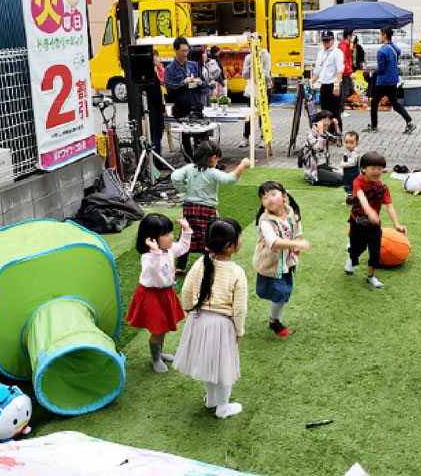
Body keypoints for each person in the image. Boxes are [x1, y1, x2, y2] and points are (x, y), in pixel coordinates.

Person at [174, 218, 247, 419]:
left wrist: (190, 310)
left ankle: (211, 399)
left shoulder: (200, 263)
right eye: (239, 237)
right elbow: (239, 308)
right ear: (229, 246)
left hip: (198, 319)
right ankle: (222, 407)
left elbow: (187, 291)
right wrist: (239, 331)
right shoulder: (237, 272)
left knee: (208, 362)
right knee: (224, 367)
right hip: (222, 324)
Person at [126, 214, 192, 373]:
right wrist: (156, 253)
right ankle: (155, 358)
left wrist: (186, 230)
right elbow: (152, 269)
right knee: (158, 329)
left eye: (170, 232)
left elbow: (183, 247)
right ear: (151, 239)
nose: (170, 236)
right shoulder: (148, 256)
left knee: (163, 328)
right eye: (165, 234)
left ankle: (159, 354)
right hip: (151, 296)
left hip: (165, 294)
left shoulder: (168, 249)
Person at [171, 142, 250, 273]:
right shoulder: (212, 172)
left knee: (186, 234)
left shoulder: (190, 168)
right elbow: (229, 179)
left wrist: (183, 188)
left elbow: (175, 176)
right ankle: (208, 263)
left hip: (190, 208)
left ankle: (180, 265)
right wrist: (242, 165)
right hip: (207, 209)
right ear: (213, 158)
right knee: (209, 236)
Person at [252, 181, 311, 337]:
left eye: (273, 194)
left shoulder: (292, 214)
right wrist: (296, 243)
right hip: (271, 263)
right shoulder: (265, 221)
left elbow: (298, 230)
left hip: (286, 262)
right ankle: (274, 321)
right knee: (279, 293)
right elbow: (274, 242)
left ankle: (274, 318)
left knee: (283, 293)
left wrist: (296, 243)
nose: (269, 199)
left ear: (284, 196)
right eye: (264, 197)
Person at [344, 151, 407, 289]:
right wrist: (370, 211)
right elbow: (361, 196)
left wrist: (397, 224)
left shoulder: (383, 187)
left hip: (374, 226)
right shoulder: (358, 182)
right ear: (363, 169)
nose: (377, 171)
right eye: (373, 168)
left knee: (375, 251)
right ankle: (351, 256)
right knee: (357, 249)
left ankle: (371, 276)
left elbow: (389, 206)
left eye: (380, 168)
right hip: (357, 223)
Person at [165, 37, 208, 160]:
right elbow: (169, 89)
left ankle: (204, 160)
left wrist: (200, 83)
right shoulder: (170, 69)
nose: (185, 53)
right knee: (186, 136)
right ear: (175, 50)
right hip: (182, 108)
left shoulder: (194, 66)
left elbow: (205, 85)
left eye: (186, 50)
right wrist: (183, 83)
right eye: (182, 51)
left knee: (201, 135)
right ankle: (189, 160)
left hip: (196, 105)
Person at [369, 27, 415, 134]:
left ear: (384, 35)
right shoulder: (394, 48)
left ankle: (374, 125)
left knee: (374, 102)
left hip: (383, 82)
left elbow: (381, 69)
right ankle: (409, 121)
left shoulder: (382, 51)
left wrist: (372, 73)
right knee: (395, 103)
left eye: (380, 34)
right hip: (393, 80)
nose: (380, 37)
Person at [311, 30, 344, 133]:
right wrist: (311, 82)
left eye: (328, 40)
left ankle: (338, 133)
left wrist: (337, 84)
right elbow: (318, 70)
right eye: (324, 40)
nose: (325, 42)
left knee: (335, 112)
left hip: (333, 85)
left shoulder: (337, 52)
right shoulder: (321, 53)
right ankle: (327, 133)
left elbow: (339, 69)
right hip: (324, 85)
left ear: (333, 40)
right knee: (324, 112)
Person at [240, 42, 272, 147]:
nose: (252, 48)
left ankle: (264, 138)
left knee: (263, 114)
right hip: (252, 90)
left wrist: (257, 68)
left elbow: (267, 74)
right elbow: (244, 75)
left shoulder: (265, 56)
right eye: (250, 46)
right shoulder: (248, 57)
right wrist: (249, 68)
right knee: (249, 113)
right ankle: (246, 137)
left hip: (263, 89)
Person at [301, 110, 342, 187]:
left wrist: (337, 127)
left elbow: (339, 144)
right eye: (324, 120)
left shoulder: (326, 134)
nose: (327, 123)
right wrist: (321, 133)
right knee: (338, 180)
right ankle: (315, 180)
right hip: (314, 169)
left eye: (329, 120)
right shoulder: (311, 135)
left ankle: (326, 177)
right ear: (318, 122)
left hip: (325, 166)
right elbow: (320, 148)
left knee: (345, 176)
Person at [146, 57, 166, 156]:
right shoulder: (153, 75)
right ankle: (157, 158)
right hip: (155, 107)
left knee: (154, 134)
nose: (159, 59)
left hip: (150, 106)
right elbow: (158, 95)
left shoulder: (148, 74)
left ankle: (155, 157)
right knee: (157, 135)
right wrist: (163, 109)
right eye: (156, 56)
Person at [340, 131, 360, 205]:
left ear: (356, 144)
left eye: (351, 143)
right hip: (347, 174)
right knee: (348, 187)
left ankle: (350, 201)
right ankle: (353, 199)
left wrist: (343, 164)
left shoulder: (354, 154)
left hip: (353, 174)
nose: (348, 145)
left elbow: (352, 163)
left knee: (351, 187)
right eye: (346, 142)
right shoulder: (347, 152)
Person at [338, 29, 355, 113]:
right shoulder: (344, 46)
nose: (352, 37)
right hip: (344, 73)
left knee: (346, 91)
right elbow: (344, 60)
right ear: (348, 36)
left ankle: (341, 110)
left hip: (345, 72)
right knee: (344, 92)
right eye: (352, 35)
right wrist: (350, 72)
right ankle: (340, 110)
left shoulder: (345, 45)